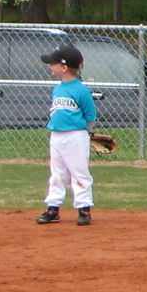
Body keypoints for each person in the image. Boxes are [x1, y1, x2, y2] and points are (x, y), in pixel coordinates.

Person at [36, 43, 97, 226]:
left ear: (63, 67)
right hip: (57, 136)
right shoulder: (58, 88)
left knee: (79, 172)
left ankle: (84, 208)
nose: (50, 66)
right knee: (57, 173)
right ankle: (53, 208)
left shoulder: (81, 91)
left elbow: (90, 116)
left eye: (52, 63)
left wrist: (87, 133)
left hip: (76, 136)